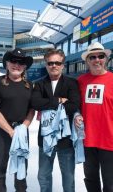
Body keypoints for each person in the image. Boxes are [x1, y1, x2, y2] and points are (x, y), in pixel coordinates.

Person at [74, 42, 113, 192]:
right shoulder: (80, 81)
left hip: (109, 140)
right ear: (87, 61)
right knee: (90, 179)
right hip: (87, 140)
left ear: (105, 58)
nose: (96, 60)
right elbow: (75, 107)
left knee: (110, 182)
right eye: (92, 57)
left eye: (100, 56)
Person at [31, 49, 81, 192]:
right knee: (43, 175)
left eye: (57, 63)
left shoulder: (71, 83)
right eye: (50, 63)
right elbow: (35, 103)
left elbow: (73, 105)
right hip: (46, 138)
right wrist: (59, 100)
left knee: (68, 176)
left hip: (65, 138)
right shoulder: (40, 84)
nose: (54, 65)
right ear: (46, 65)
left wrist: (47, 103)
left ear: (62, 65)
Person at [0, 48, 35, 192]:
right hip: (2, 132)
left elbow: (31, 110)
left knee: (21, 168)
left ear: (25, 66)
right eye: (13, 61)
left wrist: (23, 127)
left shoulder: (30, 85)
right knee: (0, 168)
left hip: (21, 132)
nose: (17, 65)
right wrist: (10, 131)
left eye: (21, 62)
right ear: (7, 64)